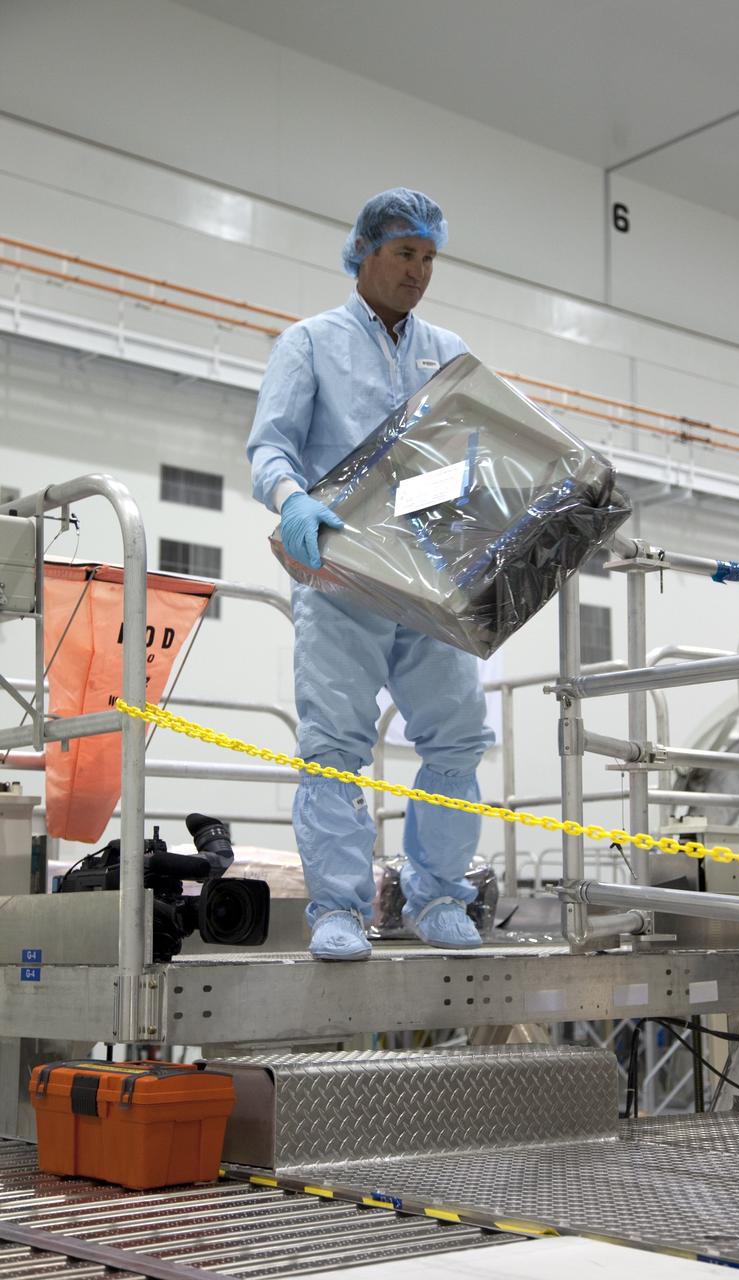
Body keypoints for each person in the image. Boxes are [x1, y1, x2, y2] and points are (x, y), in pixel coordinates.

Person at [247, 188, 495, 961]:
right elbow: (270, 450)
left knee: (456, 739)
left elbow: (468, 461)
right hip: (342, 575)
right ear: (363, 253)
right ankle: (339, 909)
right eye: (404, 254)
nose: (418, 271)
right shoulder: (309, 343)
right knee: (334, 747)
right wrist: (292, 502)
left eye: (428, 258)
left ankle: (440, 897)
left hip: (428, 580)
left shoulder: (448, 351)